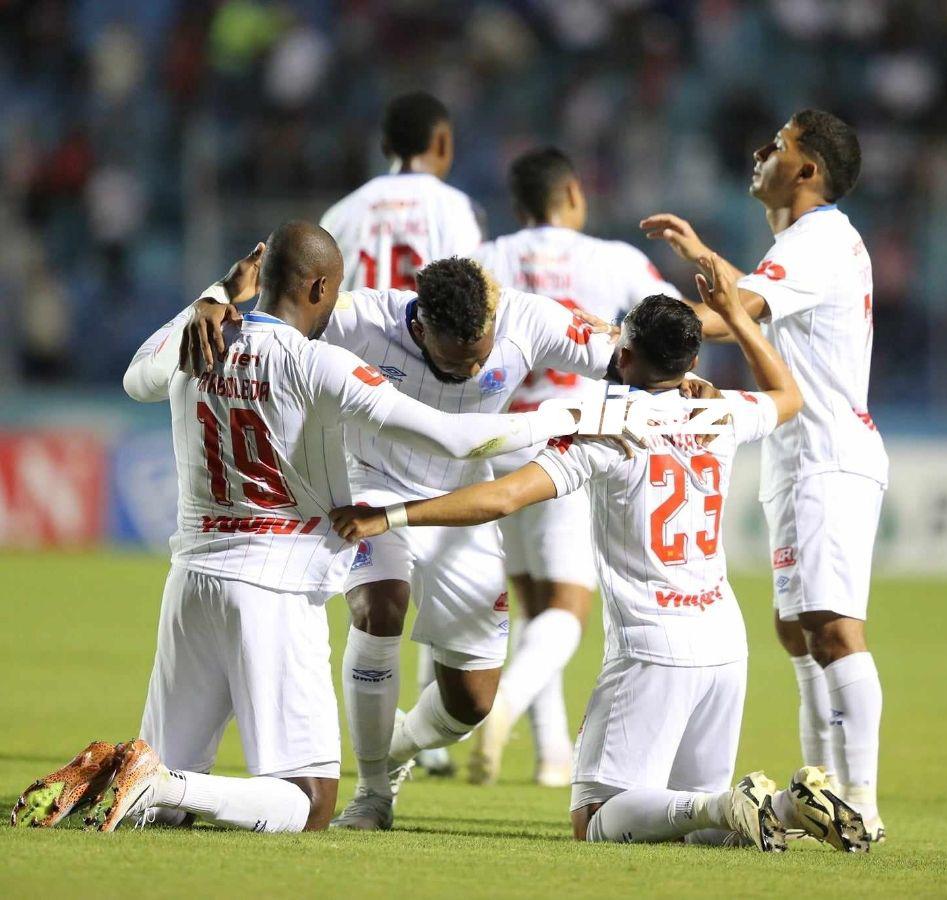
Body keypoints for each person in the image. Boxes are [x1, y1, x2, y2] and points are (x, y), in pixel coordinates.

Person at [8, 223, 577, 834]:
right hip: (275, 586)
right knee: (309, 804)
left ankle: (137, 777)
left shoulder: (195, 338)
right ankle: (158, 780)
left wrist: (215, 294)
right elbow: (456, 438)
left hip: (191, 581)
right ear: (319, 286)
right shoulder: (320, 363)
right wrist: (569, 415)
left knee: (165, 816)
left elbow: (133, 379)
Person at [329, 259, 868, 853]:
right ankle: (785, 806)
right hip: (724, 643)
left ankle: (728, 801)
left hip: (651, 646)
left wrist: (391, 516)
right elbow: (787, 395)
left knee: (596, 818)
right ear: (691, 362)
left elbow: (505, 495)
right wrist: (739, 316)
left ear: (627, 359)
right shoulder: (723, 412)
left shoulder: (606, 432)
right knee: (701, 834)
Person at [182, 254, 626, 831]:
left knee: (471, 701)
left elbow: (625, 358)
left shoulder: (530, 319)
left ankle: (395, 745)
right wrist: (215, 297)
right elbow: (275, 299)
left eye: (481, 356)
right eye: (455, 360)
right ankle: (371, 794)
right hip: (369, 491)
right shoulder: (359, 319)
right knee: (378, 607)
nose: (471, 371)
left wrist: (679, 378)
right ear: (420, 327)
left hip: (461, 508)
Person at [640, 109, 889, 843]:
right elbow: (753, 299)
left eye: (778, 146)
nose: (761, 151)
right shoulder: (808, 247)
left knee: (833, 629)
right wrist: (708, 255)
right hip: (801, 456)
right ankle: (824, 793)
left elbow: (728, 318)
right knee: (797, 628)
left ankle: (861, 802)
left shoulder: (819, 242)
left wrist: (625, 333)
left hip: (826, 456)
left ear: (808, 171)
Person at [470, 146, 682, 787]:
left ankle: (552, 753)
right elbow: (677, 326)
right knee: (567, 608)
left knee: (535, 603)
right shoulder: (613, 260)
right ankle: (502, 705)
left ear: (519, 205)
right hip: (578, 435)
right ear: (572, 195)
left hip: (504, 436)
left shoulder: (492, 259)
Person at [321, 89, 482, 778]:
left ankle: (369, 746)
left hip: (356, 404)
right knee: (438, 548)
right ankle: (421, 732)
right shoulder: (453, 208)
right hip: (434, 395)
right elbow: (474, 295)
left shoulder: (344, 212)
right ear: (440, 144)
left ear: (385, 144)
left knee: (378, 576)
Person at [320, 90, 481, 292]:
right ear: (442, 142)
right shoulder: (463, 212)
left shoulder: (338, 216)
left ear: (385, 146)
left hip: (358, 325)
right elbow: (473, 299)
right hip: (427, 324)